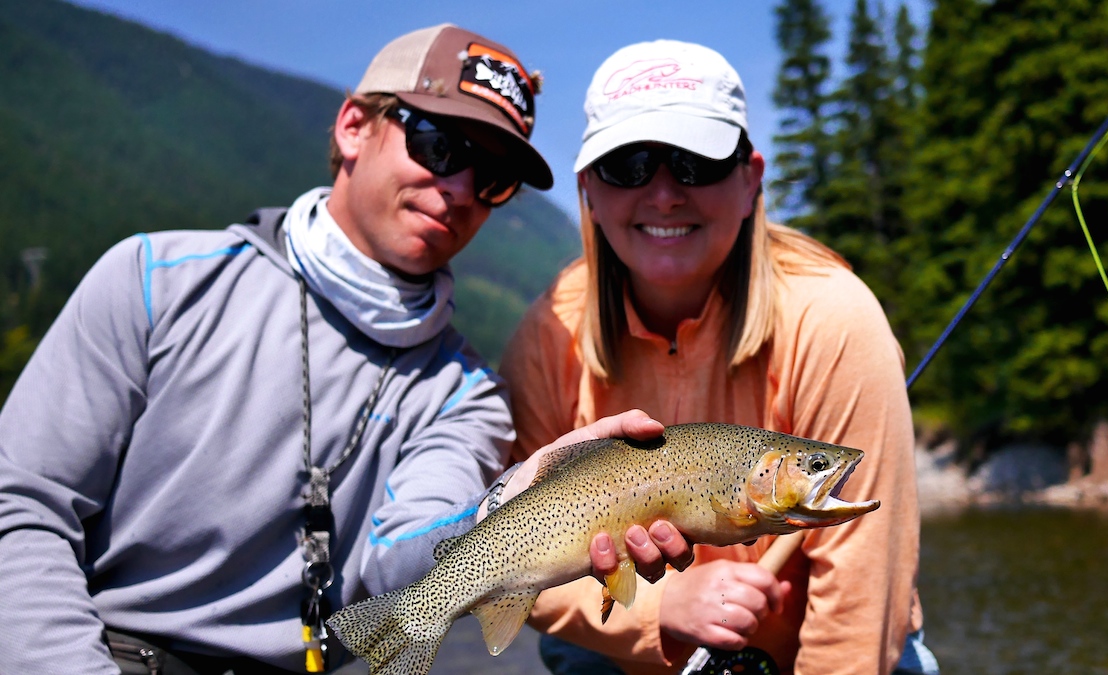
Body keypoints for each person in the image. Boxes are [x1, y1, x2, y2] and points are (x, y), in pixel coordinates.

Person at [0, 25, 686, 674]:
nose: (459, 189)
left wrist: (503, 510)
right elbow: (22, 503)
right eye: (441, 145)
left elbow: (394, 566)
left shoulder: (466, 393)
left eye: (493, 177)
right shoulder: (157, 280)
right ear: (354, 126)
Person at [500, 39, 940, 675]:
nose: (663, 195)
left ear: (749, 178)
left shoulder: (835, 320)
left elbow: (862, 596)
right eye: (628, 166)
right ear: (588, 189)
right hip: (624, 652)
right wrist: (657, 610)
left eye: (692, 162)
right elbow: (510, 551)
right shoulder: (548, 334)